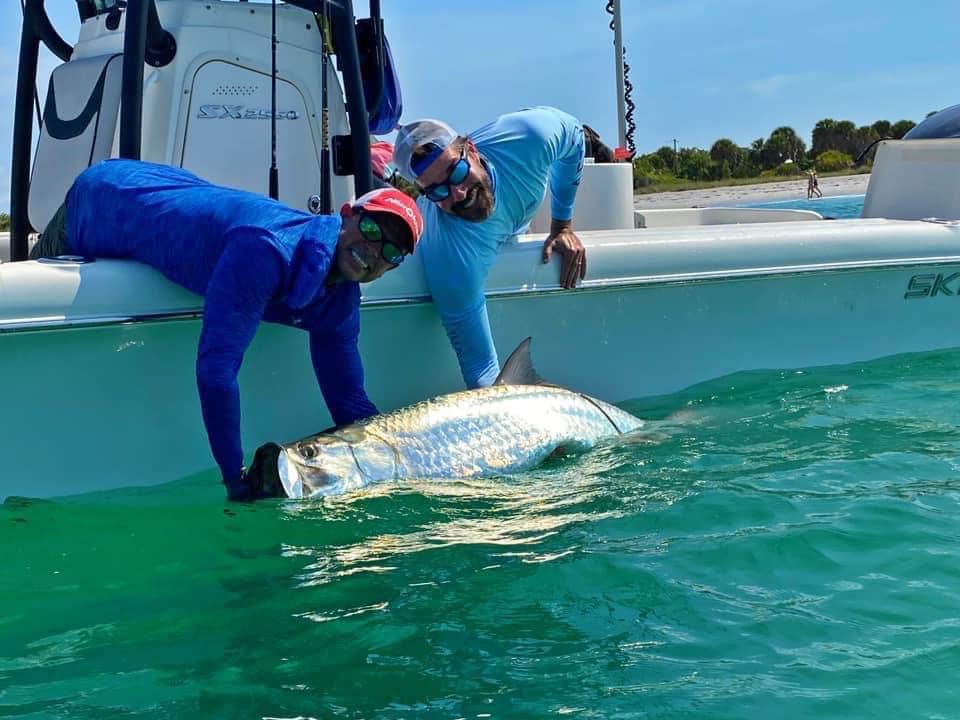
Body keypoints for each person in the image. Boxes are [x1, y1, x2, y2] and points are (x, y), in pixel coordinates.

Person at [32, 159, 424, 501]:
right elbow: (216, 372)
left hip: (173, 188)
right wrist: (233, 479)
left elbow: (350, 402)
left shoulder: (340, 303)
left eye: (391, 252)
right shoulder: (265, 249)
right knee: (29, 285)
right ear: (347, 214)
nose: (375, 251)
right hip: (103, 196)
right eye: (373, 231)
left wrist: (402, 462)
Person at [392, 106, 587, 389]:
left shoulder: (531, 136)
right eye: (437, 191)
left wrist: (562, 224)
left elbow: (574, 138)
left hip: (510, 231)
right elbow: (481, 368)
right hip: (475, 252)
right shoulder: (449, 257)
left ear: (471, 149)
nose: (457, 193)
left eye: (457, 171)